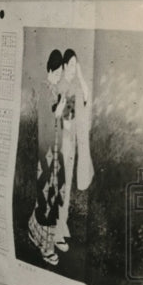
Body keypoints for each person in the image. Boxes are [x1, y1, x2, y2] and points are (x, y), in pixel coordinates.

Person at [27, 49, 66, 265]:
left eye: (60, 73)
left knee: (49, 196)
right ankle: (45, 247)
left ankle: (35, 232)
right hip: (47, 152)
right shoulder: (45, 90)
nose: (58, 76)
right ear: (49, 70)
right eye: (56, 72)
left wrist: (59, 112)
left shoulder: (53, 90)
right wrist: (57, 113)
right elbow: (45, 123)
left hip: (54, 151)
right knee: (46, 197)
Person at [53, 48, 94, 251]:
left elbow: (86, 95)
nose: (71, 69)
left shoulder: (76, 85)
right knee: (60, 186)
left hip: (71, 143)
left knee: (66, 186)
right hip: (61, 143)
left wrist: (79, 74)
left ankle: (63, 224)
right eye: (69, 65)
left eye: (74, 65)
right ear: (63, 65)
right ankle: (57, 232)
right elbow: (57, 115)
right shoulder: (60, 85)